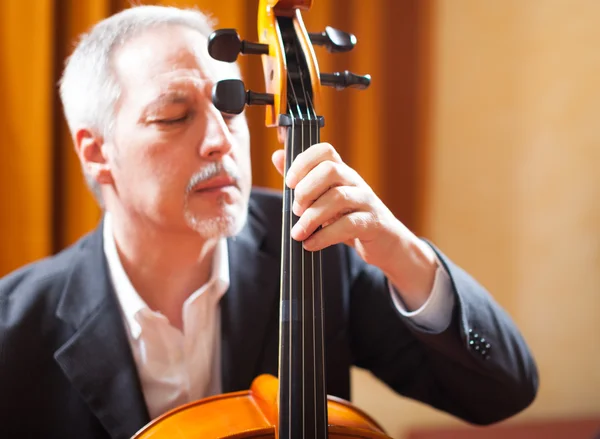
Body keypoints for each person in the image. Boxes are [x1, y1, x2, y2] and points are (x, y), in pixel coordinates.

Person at [0, 5, 538, 439]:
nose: (220, 141)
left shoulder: (315, 242)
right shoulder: (14, 330)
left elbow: (501, 394)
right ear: (96, 154)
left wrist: (401, 252)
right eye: (174, 115)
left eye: (231, 108)